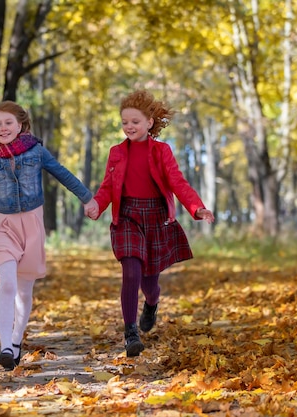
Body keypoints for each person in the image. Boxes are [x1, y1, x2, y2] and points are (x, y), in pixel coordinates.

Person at [0, 100, 97, 370]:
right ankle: (4, 348)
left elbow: (62, 173)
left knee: (24, 292)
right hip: (1, 227)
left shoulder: (37, 152)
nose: (4, 128)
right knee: (8, 284)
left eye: (8, 123)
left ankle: (15, 342)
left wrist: (87, 199)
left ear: (20, 125)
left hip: (32, 227)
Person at [84, 90, 214, 357]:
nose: (129, 127)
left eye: (135, 121)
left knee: (149, 281)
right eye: (125, 122)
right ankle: (130, 332)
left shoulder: (162, 151)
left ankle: (152, 302)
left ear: (149, 123)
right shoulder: (117, 152)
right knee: (130, 268)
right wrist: (97, 204)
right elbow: (108, 186)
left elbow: (178, 182)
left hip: (155, 216)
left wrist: (197, 207)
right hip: (128, 215)